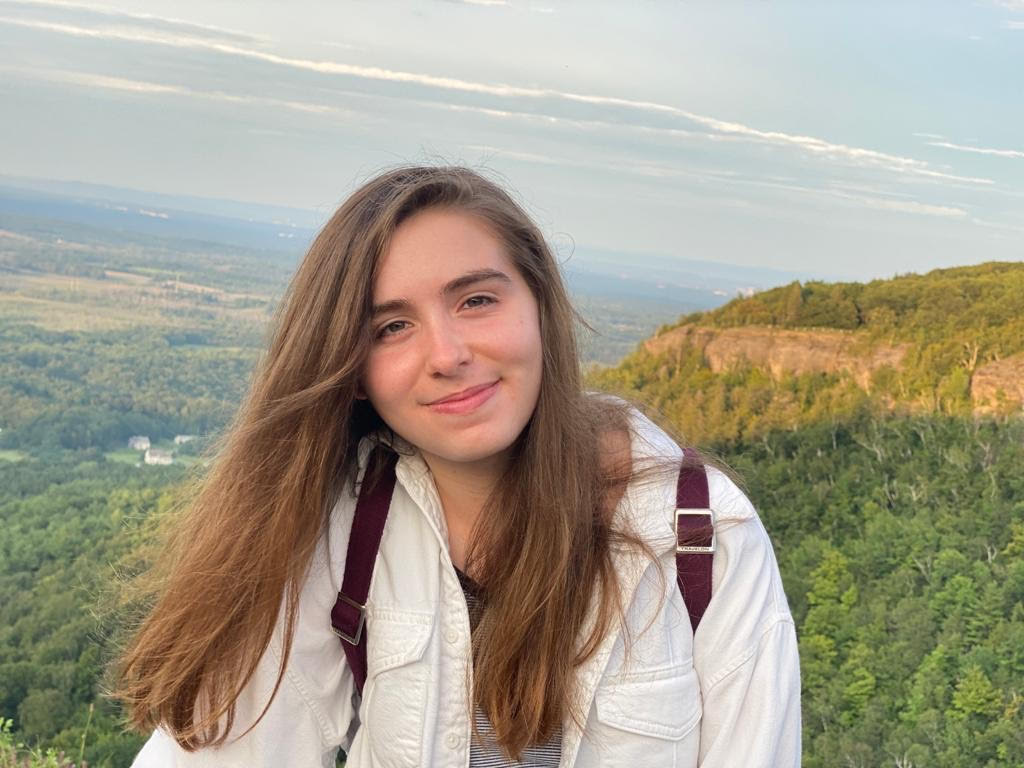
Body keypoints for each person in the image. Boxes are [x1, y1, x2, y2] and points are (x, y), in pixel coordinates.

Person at [115, 165, 800, 767]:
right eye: (391, 327)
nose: (447, 354)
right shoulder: (345, 524)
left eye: (476, 300)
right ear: (353, 373)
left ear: (540, 307)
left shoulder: (701, 535)